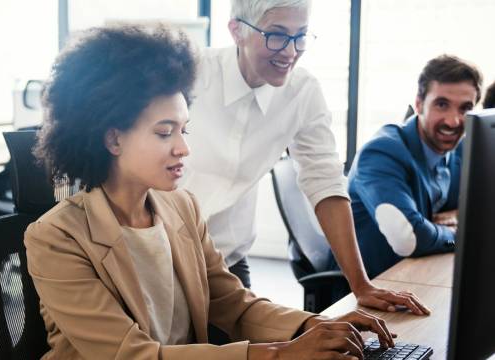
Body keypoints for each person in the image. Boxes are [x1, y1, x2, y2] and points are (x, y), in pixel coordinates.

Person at [25, 25, 396, 360]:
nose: (183, 148)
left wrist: (313, 326)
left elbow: (234, 306)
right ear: (113, 138)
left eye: (184, 130)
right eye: (164, 131)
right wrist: (281, 354)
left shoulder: (181, 207)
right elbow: (131, 355)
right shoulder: (56, 238)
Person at [182, 0, 428, 314]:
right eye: (277, 34)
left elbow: (325, 183)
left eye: (301, 36)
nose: (290, 51)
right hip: (157, 255)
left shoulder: (303, 92)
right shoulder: (191, 74)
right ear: (236, 31)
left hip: (224, 260)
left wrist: (361, 286)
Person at [345, 55, 482, 278]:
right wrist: (460, 233)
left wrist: (458, 216)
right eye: (442, 104)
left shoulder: (460, 150)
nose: (453, 121)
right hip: (373, 287)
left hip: (422, 274)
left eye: (465, 109)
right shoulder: (381, 152)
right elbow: (407, 239)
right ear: (419, 104)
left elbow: (484, 210)